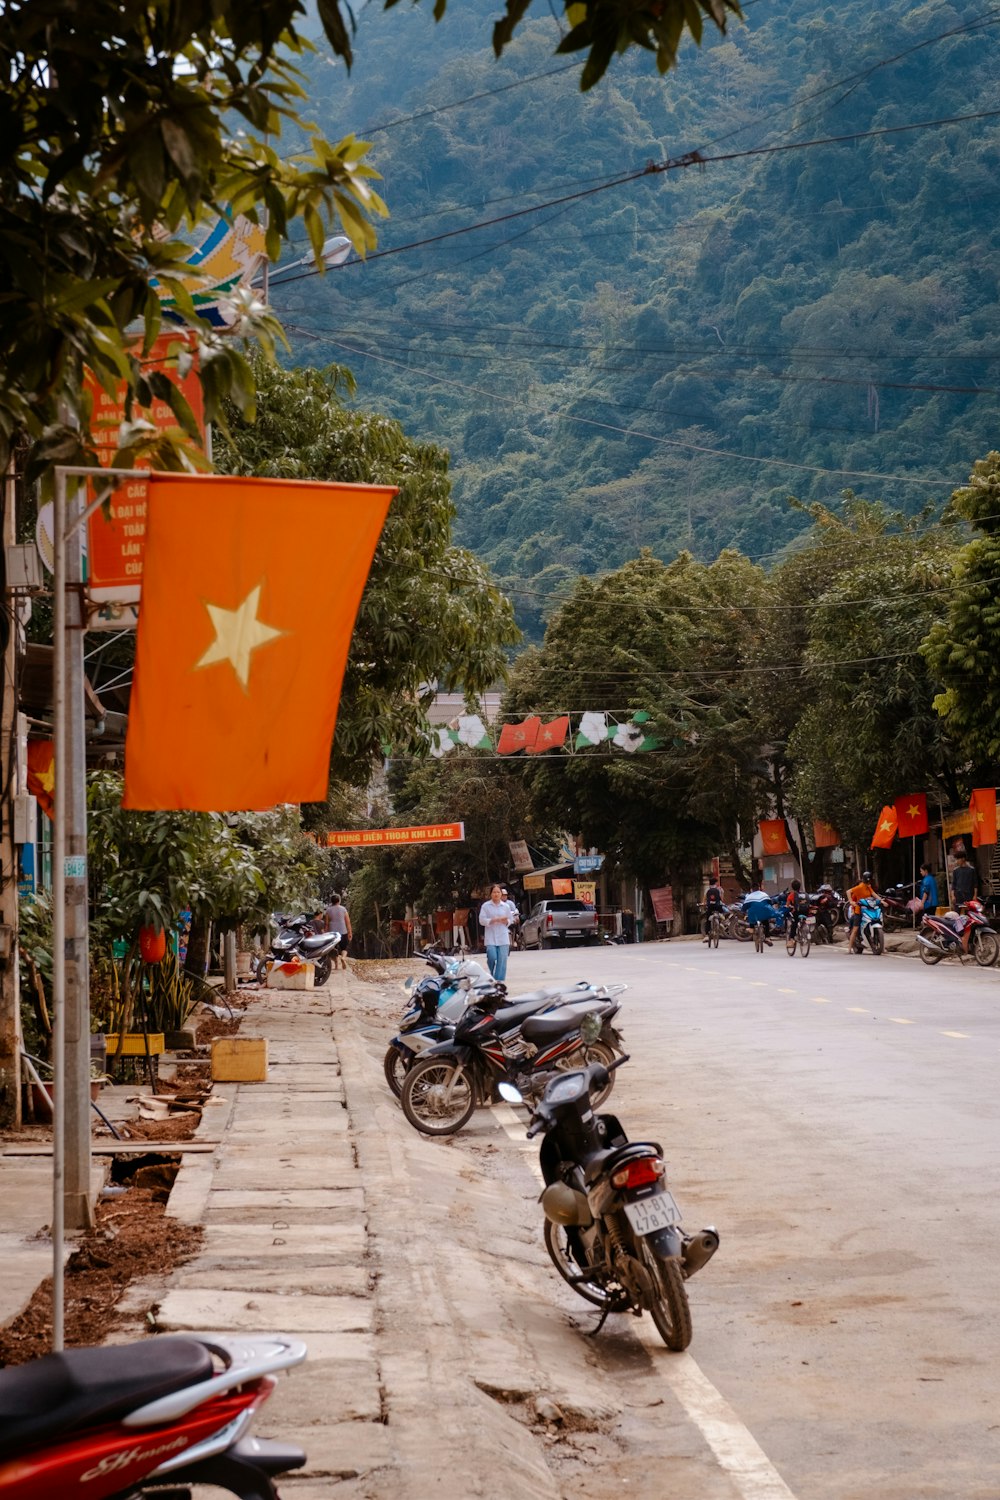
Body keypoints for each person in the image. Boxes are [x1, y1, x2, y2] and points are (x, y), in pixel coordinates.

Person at [478, 883, 512, 982]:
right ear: (491, 894)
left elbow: (510, 919)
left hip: (503, 936)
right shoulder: (486, 906)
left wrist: (506, 921)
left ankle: (498, 980)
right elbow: (481, 920)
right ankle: (492, 973)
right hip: (490, 936)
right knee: (492, 956)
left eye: (498, 892)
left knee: (502, 960)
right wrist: (492, 920)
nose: (496, 894)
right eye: (494, 892)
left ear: (501, 894)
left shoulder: (506, 906)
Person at [846, 871, 877, 955]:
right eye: (867, 881)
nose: (868, 882)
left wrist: (880, 900)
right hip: (858, 911)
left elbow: (874, 894)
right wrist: (851, 901)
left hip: (868, 910)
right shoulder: (859, 887)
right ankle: (849, 949)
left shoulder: (868, 887)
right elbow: (848, 891)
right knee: (855, 929)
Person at [742, 880, 776, 945]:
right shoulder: (764, 895)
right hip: (764, 914)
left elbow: (744, 908)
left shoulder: (749, 896)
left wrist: (744, 913)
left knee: (750, 913)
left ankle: (751, 928)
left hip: (754, 916)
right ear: (759, 888)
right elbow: (770, 903)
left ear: (751, 889)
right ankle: (767, 937)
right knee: (766, 922)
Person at [324, 892, 352, 969]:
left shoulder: (328, 910)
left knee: (334, 949)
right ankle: (343, 957)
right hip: (343, 930)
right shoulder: (343, 909)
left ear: (331, 901)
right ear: (339, 901)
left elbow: (326, 923)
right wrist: (350, 932)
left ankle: (336, 965)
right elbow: (348, 922)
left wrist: (325, 933)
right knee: (344, 948)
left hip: (332, 932)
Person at [703, 875, 726, 942]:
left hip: (710, 907)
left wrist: (704, 904)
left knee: (708, 919)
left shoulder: (707, 889)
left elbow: (704, 899)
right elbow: (721, 899)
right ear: (716, 883)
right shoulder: (720, 889)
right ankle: (721, 923)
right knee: (722, 912)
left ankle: (707, 935)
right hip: (718, 906)